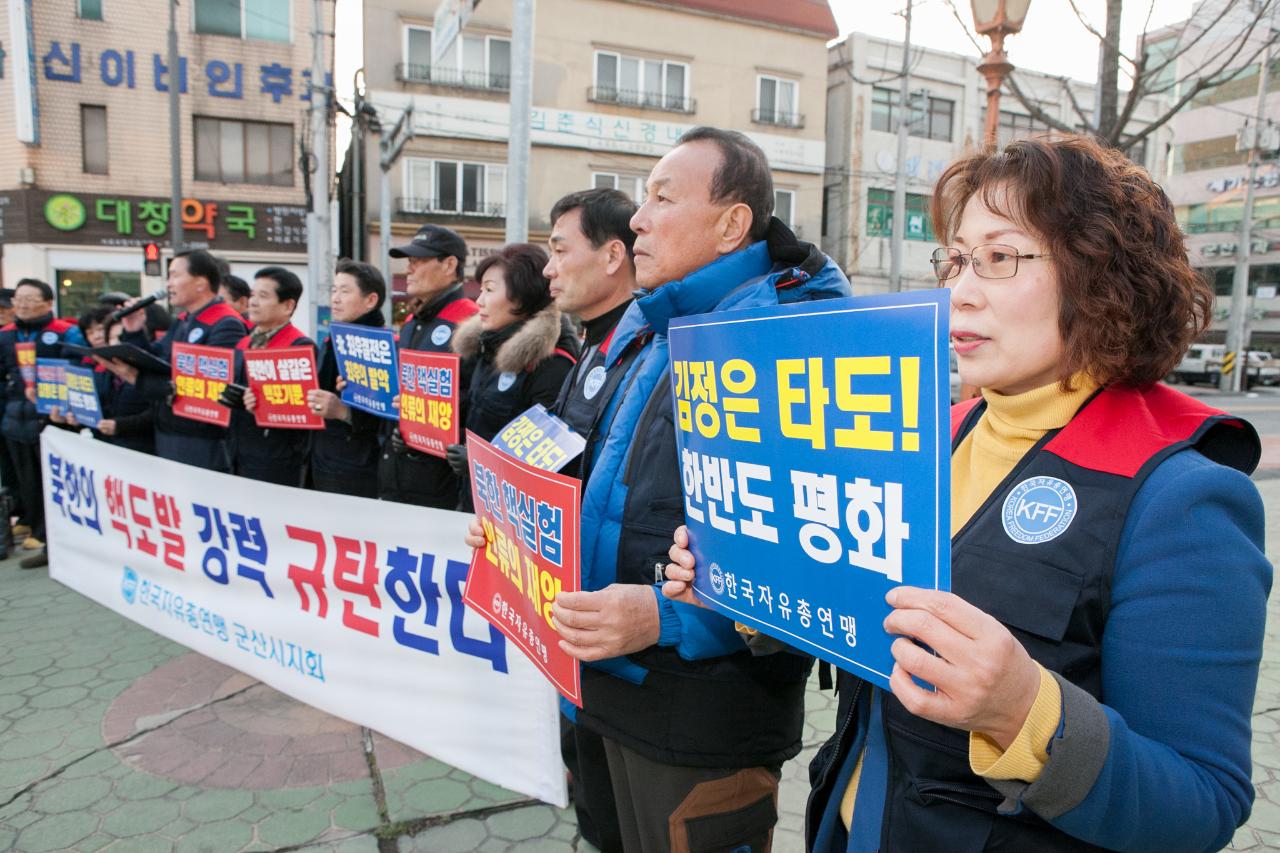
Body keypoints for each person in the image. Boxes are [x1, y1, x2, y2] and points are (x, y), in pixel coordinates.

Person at [661, 135, 1274, 853]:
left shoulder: (1184, 498)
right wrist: (744, 587)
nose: (960, 290)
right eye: (955, 259)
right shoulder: (921, 437)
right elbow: (858, 614)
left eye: (1001, 257)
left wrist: (1025, 711)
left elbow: (1202, 802)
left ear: (1102, 271)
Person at [514, 127, 848, 852]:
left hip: (702, 713)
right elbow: (593, 475)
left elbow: (822, 567)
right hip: (599, 681)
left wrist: (668, 620)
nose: (638, 218)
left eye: (663, 197)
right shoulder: (649, 324)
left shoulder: (797, 341)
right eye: (642, 199)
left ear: (731, 224)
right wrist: (514, 524)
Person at [537, 187, 641, 853]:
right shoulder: (594, 351)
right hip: (575, 638)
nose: (549, 269)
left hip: (629, 649)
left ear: (612, 255)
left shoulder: (655, 348)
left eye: (558, 250)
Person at [447, 244, 579, 509]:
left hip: (514, 516)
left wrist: (479, 462)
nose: (479, 301)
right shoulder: (486, 348)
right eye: (481, 290)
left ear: (520, 297)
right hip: (475, 502)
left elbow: (549, 460)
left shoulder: (551, 365)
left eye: (489, 290)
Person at [109, 250, 249, 471]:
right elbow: (158, 361)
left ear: (201, 283)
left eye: (175, 275)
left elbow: (210, 388)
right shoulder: (183, 320)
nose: (168, 285)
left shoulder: (226, 323)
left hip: (202, 438)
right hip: (169, 429)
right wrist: (134, 331)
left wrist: (138, 380)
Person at [378, 224, 478, 508]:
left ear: (449, 265)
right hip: (399, 472)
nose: (409, 270)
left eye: (418, 262)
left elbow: (481, 399)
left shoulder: (471, 324)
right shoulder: (412, 322)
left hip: (444, 484)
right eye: (409, 263)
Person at [0, 278, 87, 568]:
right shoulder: (6, 335)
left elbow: (78, 369)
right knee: (27, 483)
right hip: (15, 420)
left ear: (48, 303)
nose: (22, 304)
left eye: (29, 299)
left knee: (55, 480)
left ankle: (64, 537)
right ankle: (41, 534)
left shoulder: (65, 332)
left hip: (55, 420)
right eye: (18, 299)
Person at [223, 267, 315, 486]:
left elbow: (304, 410)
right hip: (237, 454)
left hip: (276, 461)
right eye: (253, 295)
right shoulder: (243, 343)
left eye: (263, 296)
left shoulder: (299, 348)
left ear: (288, 306)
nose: (253, 302)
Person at [307, 259, 387, 499]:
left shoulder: (382, 347)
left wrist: (344, 411)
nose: (335, 298)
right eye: (334, 290)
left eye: (345, 291)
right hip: (322, 458)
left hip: (356, 468)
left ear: (370, 300)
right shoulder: (331, 338)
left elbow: (386, 417)